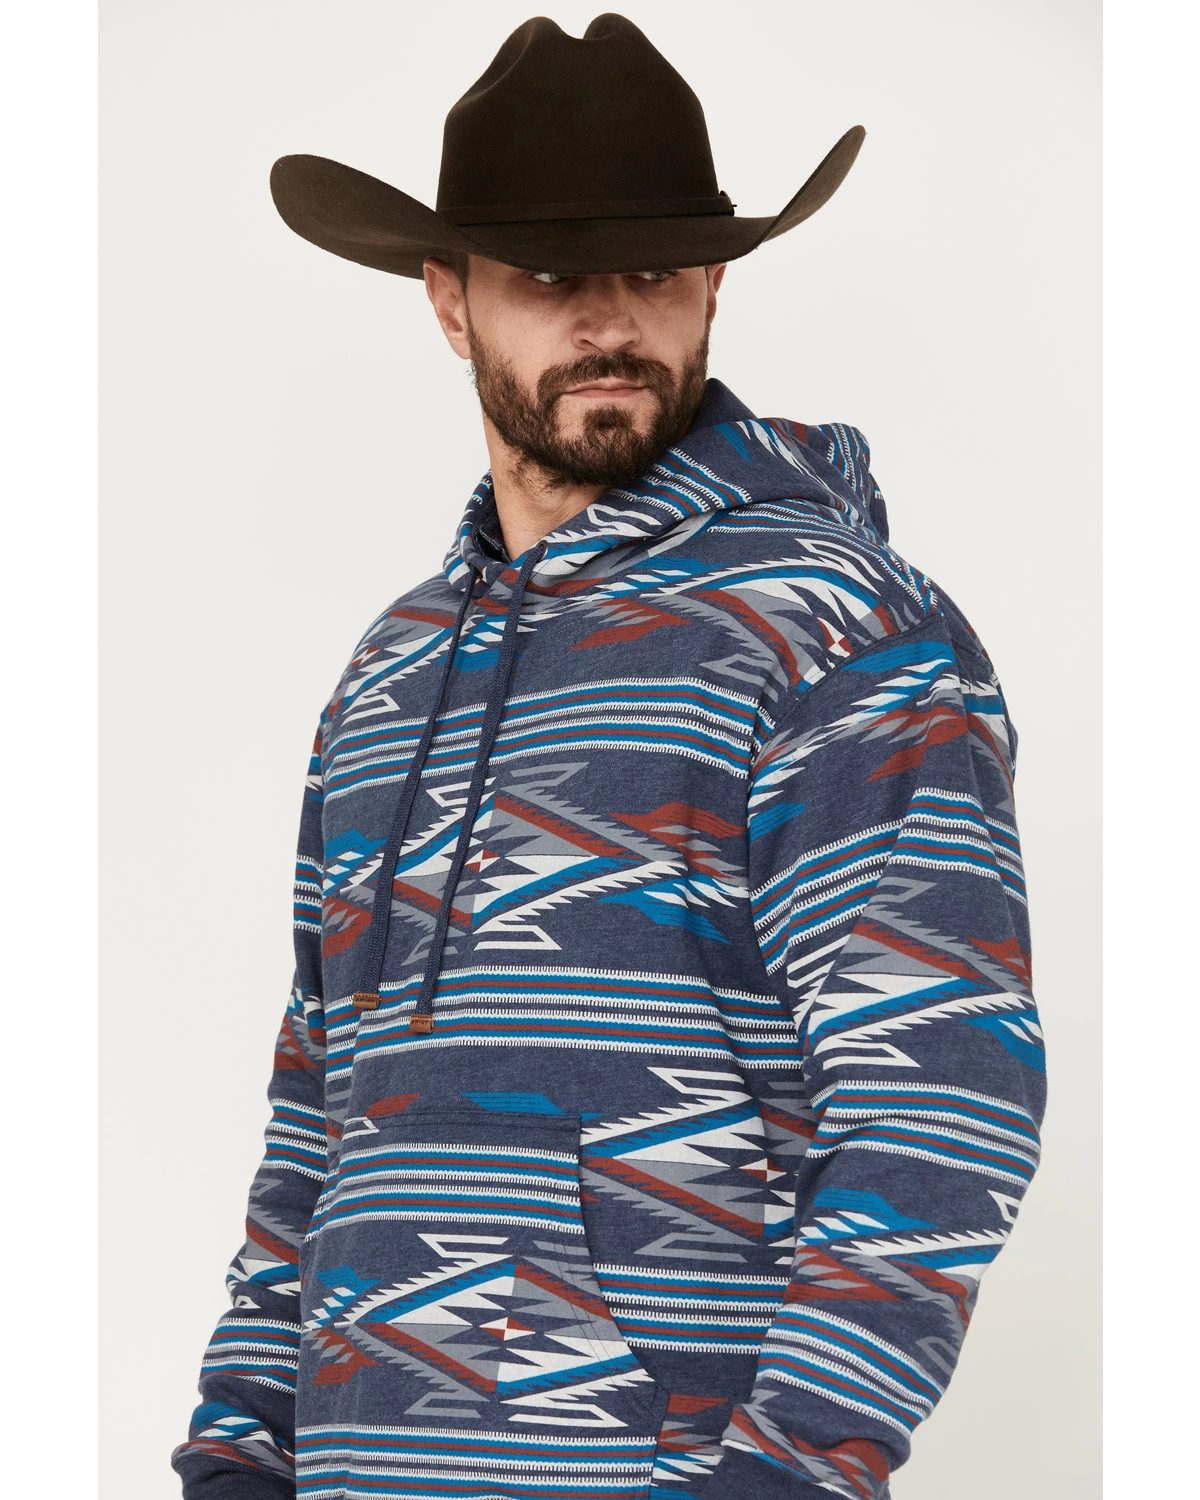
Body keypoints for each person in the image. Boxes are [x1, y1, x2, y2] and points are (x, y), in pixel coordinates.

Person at [171, 14, 1047, 1500]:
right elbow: (320, 1110)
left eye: (654, 270)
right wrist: (240, 1451)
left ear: (715, 283)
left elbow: (944, 1095)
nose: (609, 321)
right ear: (449, 303)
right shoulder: (392, 671)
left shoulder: (832, 631)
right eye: (549, 277)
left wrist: (783, 1479)